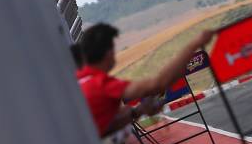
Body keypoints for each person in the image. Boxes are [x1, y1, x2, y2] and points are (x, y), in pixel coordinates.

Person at [72, 23, 214, 137]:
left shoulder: (79, 80)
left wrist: (138, 111)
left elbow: (104, 127)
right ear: (109, 53)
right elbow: (159, 84)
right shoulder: (102, 83)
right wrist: (195, 43)